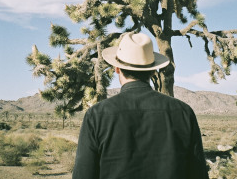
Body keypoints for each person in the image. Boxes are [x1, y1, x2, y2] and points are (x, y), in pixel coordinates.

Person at [72, 32, 209, 179]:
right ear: (152, 71)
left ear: (117, 68)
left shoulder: (97, 115)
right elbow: (198, 173)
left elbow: (84, 174)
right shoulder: (183, 112)